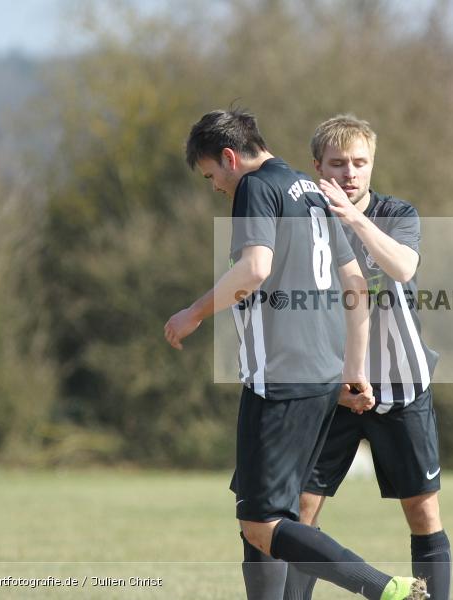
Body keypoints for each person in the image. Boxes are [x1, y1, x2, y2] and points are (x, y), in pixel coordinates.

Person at [164, 108, 429, 600]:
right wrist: (350, 370)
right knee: (264, 517)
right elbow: (355, 283)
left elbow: (254, 269)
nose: (216, 187)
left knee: (260, 522)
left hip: (280, 378)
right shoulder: (310, 191)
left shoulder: (256, 187)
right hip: (320, 376)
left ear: (228, 157)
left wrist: (194, 313)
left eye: (211, 176)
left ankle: (382, 587)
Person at [282, 114, 450, 600]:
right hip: (329, 389)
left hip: (401, 384)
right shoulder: (301, 222)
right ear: (317, 166)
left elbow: (401, 266)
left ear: (372, 165)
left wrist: (353, 217)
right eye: (338, 164)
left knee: (422, 511)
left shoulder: (399, 213)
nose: (350, 173)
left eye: (360, 163)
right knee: (301, 510)